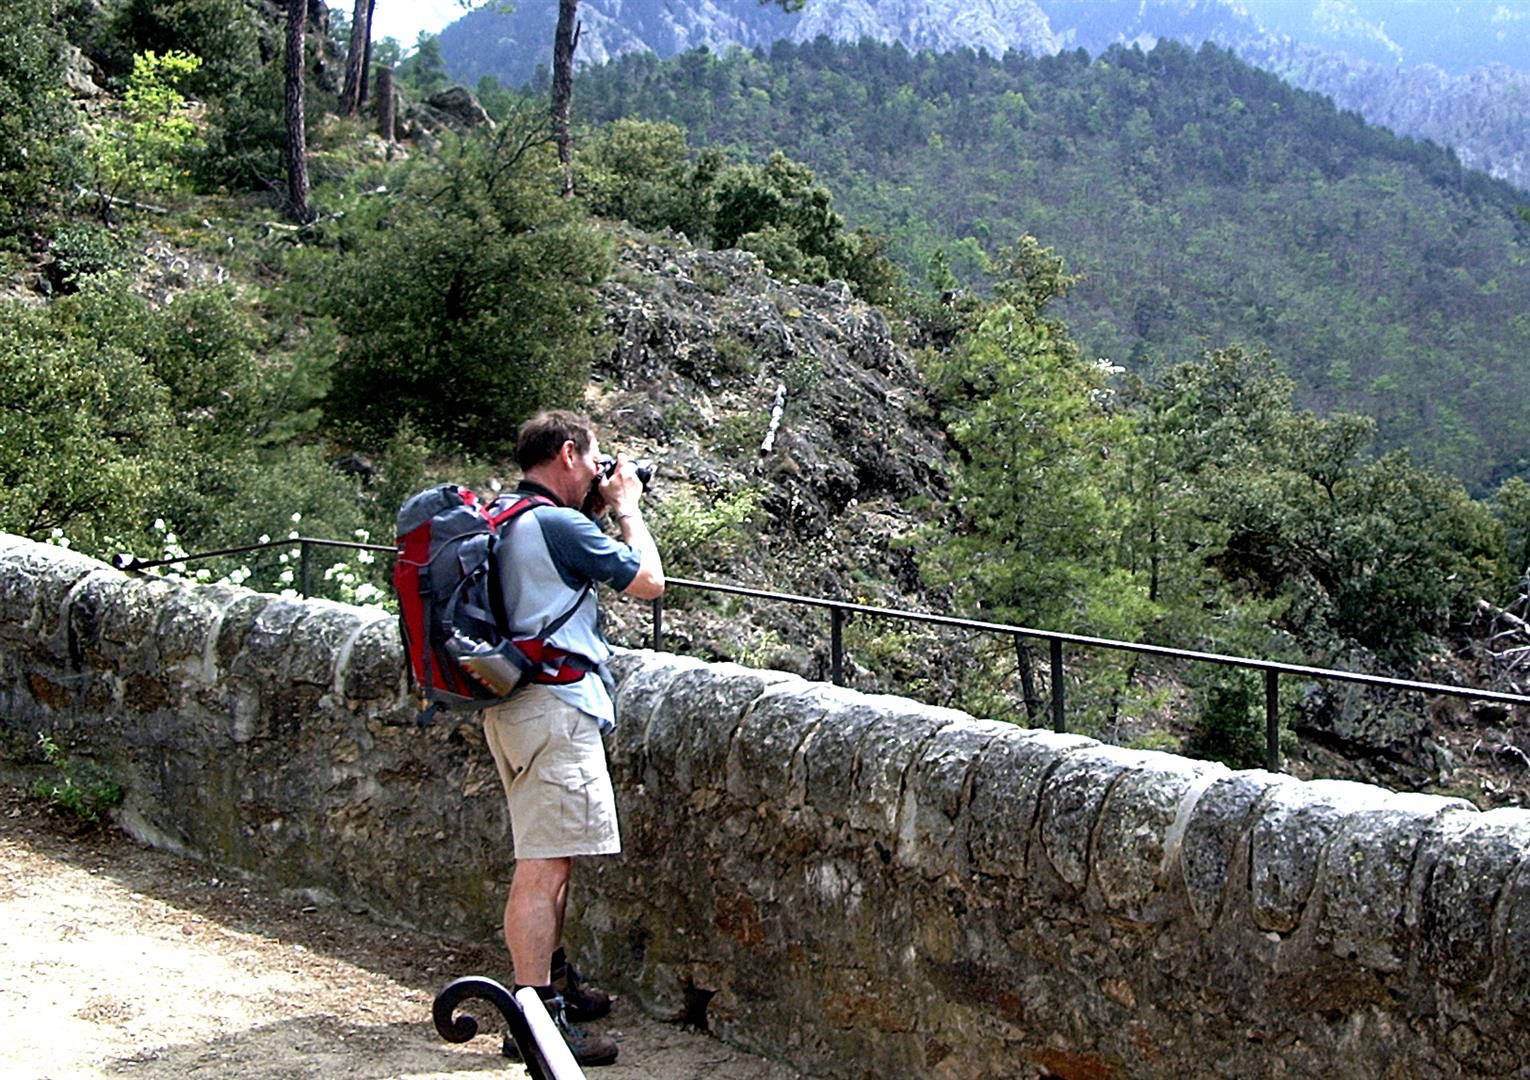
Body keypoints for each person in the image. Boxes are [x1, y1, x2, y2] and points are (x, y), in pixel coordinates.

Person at [481, 409, 664, 1067]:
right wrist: (628, 508)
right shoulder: (555, 523)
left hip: (514, 704)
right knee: (543, 869)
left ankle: (554, 987)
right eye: (591, 460)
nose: (597, 471)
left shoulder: (504, 515)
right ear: (566, 454)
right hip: (554, 709)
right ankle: (535, 1022)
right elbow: (650, 582)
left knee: (552, 856)